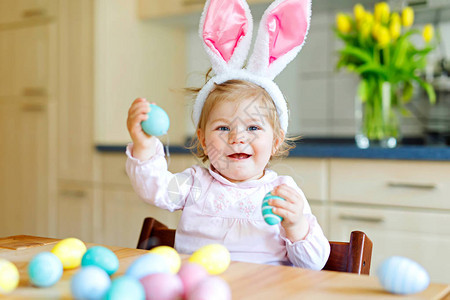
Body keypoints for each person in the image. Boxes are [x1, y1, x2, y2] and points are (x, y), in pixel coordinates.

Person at [125, 0, 330, 270]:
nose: (237, 138)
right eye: (223, 128)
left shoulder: (281, 193)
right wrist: (143, 145)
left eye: (253, 128)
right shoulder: (195, 185)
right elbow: (156, 189)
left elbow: (313, 264)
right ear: (202, 139)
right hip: (199, 287)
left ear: (276, 141)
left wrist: (296, 226)